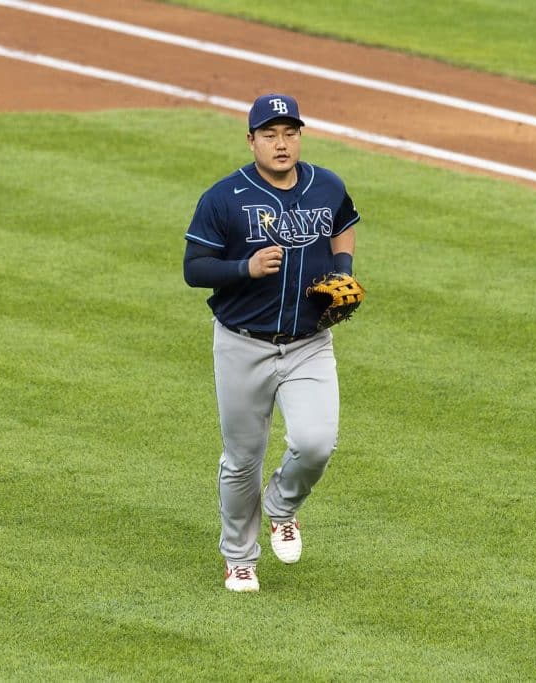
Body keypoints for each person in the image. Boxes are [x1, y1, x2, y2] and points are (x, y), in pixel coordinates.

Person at [183, 93, 361, 592]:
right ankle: (240, 558)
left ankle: (283, 507)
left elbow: (344, 225)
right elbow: (194, 269)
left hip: (309, 342)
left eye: (289, 133)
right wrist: (246, 267)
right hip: (242, 344)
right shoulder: (222, 198)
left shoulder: (326, 185)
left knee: (315, 443)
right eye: (269, 135)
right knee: (243, 458)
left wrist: (343, 271)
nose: (281, 144)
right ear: (251, 140)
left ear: (300, 136)